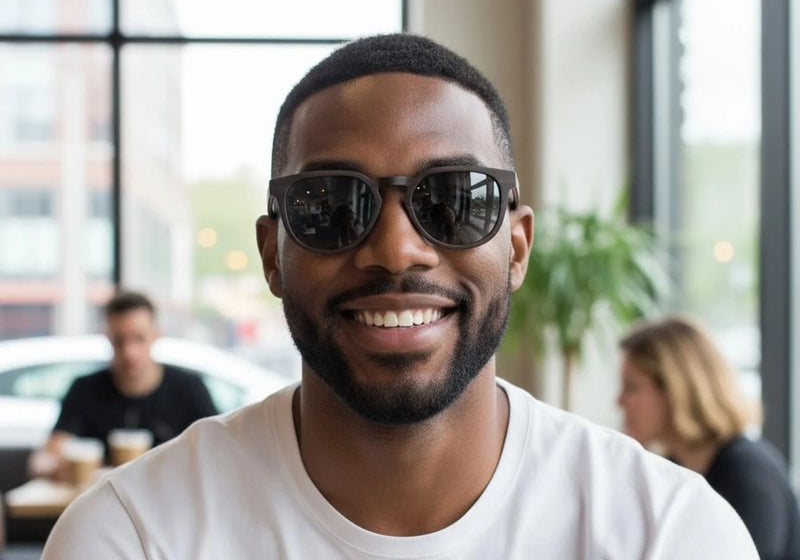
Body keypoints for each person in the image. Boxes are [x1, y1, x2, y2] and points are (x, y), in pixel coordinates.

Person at [42, 34, 757, 559]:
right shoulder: (133, 536)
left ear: (516, 247)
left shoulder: (668, 535)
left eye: (453, 198)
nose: (395, 250)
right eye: (331, 205)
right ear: (271, 253)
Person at [618, 314, 800, 560]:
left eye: (631, 387)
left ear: (675, 389)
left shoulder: (749, 475)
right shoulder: (674, 469)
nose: (619, 401)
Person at [29, 290, 218, 481]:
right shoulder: (84, 390)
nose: (129, 352)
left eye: (139, 338)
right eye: (119, 341)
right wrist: (59, 467)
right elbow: (44, 459)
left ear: (156, 335)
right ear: (108, 338)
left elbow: (216, 451)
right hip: (102, 497)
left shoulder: (189, 389)